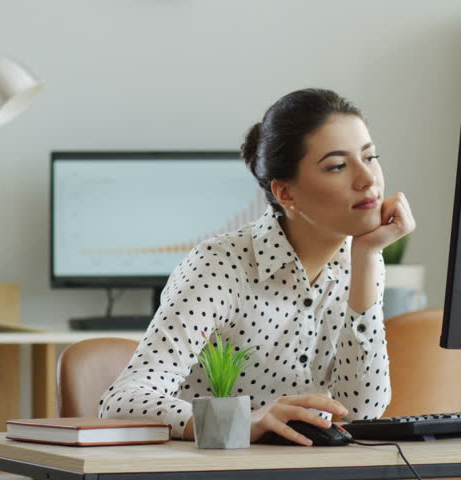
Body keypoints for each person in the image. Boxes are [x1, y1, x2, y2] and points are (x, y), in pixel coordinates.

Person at [99, 88, 416, 446]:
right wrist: (244, 422)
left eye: (370, 157)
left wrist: (368, 258)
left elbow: (361, 411)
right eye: (338, 166)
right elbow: (122, 402)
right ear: (286, 194)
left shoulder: (356, 263)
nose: (368, 179)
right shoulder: (220, 266)